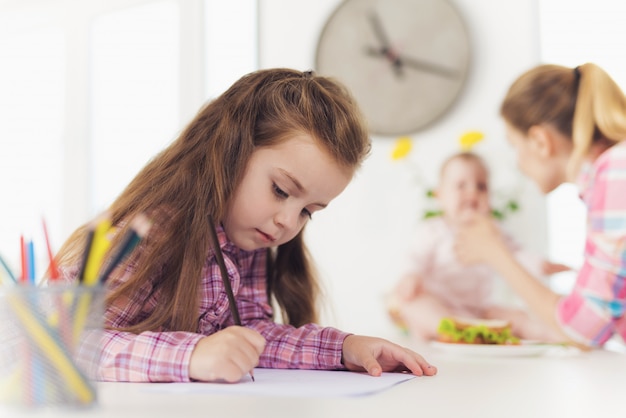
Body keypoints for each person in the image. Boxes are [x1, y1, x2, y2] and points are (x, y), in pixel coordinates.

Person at [55, 68, 437, 383]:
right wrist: (191, 356)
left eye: (309, 211)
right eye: (280, 190)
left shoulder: (246, 240)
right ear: (231, 150)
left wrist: (345, 349)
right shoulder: (148, 234)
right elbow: (63, 343)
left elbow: (250, 336)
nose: (288, 222)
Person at [455, 63, 626, 348]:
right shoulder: (609, 175)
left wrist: (496, 253)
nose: (518, 163)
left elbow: (584, 330)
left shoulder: (616, 170)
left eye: (514, 145)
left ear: (539, 141)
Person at [388, 151, 567, 342]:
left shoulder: (493, 230)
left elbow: (514, 255)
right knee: (414, 304)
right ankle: (451, 329)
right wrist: (411, 275)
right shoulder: (433, 230)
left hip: (478, 311)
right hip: (440, 304)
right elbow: (415, 257)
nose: (472, 192)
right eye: (461, 185)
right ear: (439, 196)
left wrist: (540, 264)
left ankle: (556, 335)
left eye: (481, 186)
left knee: (518, 317)